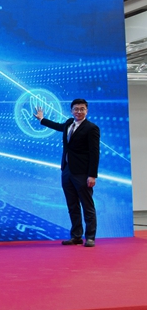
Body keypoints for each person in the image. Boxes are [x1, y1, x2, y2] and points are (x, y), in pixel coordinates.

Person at [35, 98, 100, 247]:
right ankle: (76, 236)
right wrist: (42, 119)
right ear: (71, 110)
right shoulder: (69, 123)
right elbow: (58, 126)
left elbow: (94, 153)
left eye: (82, 109)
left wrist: (92, 175)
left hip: (82, 172)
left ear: (87, 111)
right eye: (76, 109)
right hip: (67, 170)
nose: (79, 112)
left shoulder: (92, 128)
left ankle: (90, 237)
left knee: (87, 206)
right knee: (72, 205)